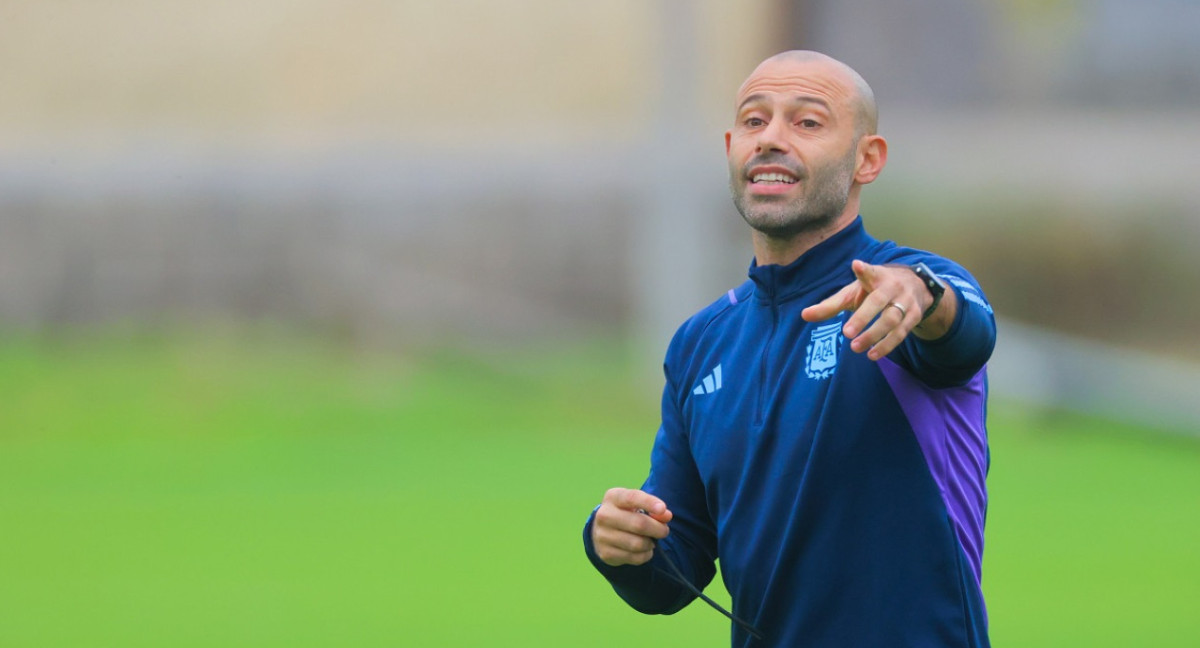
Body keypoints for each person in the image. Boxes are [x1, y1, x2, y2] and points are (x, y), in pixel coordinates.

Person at [582, 50, 997, 647]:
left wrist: (922, 296)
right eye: (754, 121)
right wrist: (617, 542)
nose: (771, 139)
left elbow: (966, 336)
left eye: (807, 122)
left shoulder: (904, 284)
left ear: (867, 160)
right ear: (731, 146)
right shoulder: (702, 342)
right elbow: (676, 572)